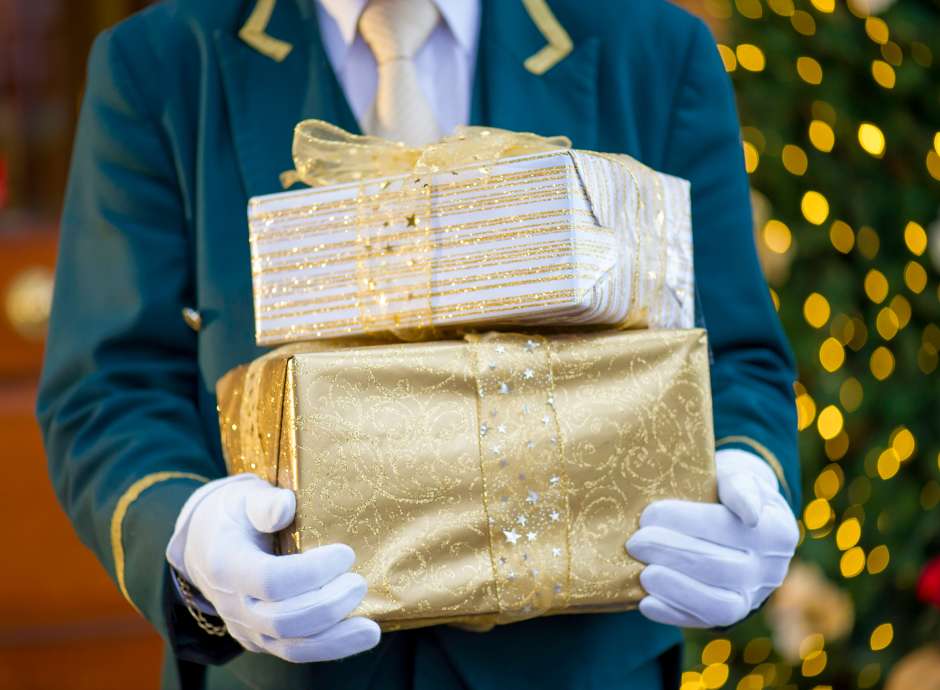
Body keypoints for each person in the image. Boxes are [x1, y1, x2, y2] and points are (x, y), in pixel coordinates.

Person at [36, 1, 802, 688]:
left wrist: (743, 480)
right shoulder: (161, 62)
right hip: (284, 672)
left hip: (578, 668)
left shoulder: (653, 49)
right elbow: (111, 383)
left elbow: (734, 355)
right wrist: (190, 533)